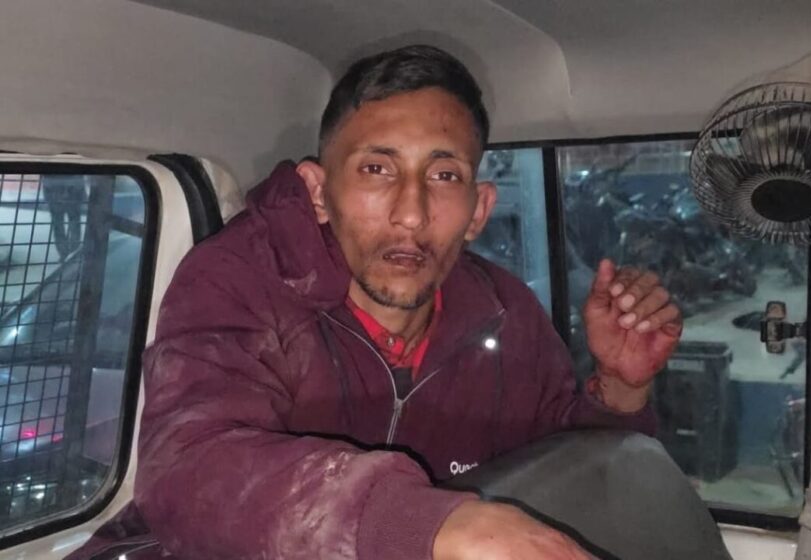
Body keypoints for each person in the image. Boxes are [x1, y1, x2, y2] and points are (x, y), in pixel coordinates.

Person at [68, 45, 682, 560]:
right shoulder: (239, 280)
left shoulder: (505, 312)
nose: (411, 214)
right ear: (318, 192)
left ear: (478, 211)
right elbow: (187, 471)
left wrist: (621, 387)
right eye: (376, 169)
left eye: (444, 176)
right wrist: (431, 525)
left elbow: (567, 466)